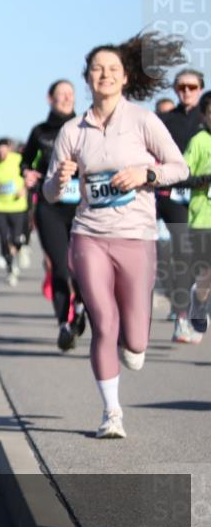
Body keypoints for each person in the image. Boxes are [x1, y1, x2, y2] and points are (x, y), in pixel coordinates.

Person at [43, 31, 188, 439]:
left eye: (112, 69)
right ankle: (111, 413)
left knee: (136, 341)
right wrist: (59, 177)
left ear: (125, 78)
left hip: (137, 237)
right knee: (104, 323)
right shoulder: (73, 131)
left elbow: (180, 168)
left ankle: (133, 343)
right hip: (89, 236)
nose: (104, 75)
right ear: (87, 78)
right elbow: (51, 195)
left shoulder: (143, 121)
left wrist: (146, 174)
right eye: (97, 69)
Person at [22, 79, 88, 351]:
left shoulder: (86, 127)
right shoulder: (40, 131)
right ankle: (64, 324)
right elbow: (25, 161)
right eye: (61, 94)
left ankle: (82, 304)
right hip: (50, 206)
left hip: (82, 207)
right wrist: (27, 172)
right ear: (50, 99)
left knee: (83, 268)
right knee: (60, 267)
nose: (66, 98)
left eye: (70, 94)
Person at [156, 69, 206, 341]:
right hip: (175, 197)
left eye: (192, 87)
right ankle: (182, 316)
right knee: (183, 253)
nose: (187, 92)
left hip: (204, 198)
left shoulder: (206, 121)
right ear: (176, 90)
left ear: (200, 88)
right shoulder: (164, 121)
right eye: (182, 87)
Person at [183, 91, 211, 337]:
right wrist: (201, 180)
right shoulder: (199, 141)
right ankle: (199, 300)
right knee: (207, 274)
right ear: (204, 115)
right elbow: (181, 174)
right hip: (204, 219)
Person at [0, 138, 29, 286]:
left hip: (17, 205)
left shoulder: (18, 159)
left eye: (4, 151)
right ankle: (11, 269)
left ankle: (20, 249)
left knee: (16, 239)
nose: (2, 154)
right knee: (3, 238)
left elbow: (28, 174)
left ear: (9, 150)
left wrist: (25, 188)